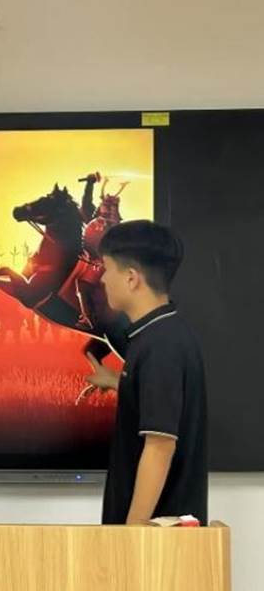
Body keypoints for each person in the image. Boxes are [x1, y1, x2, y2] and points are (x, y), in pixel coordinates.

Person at [85, 220, 207, 525]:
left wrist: (134, 533)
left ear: (131, 278)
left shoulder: (161, 345)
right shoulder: (161, 334)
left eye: (107, 269)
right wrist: (118, 381)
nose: (102, 279)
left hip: (154, 540)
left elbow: (160, 447)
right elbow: (162, 398)